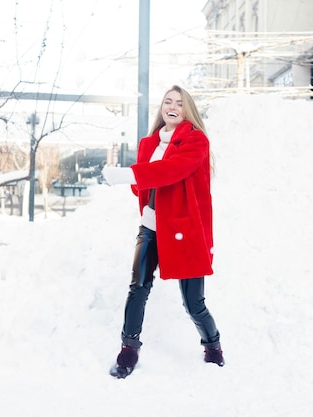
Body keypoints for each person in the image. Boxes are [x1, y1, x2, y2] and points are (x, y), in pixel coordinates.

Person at [102, 85, 224, 379]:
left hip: (184, 230)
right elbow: (143, 186)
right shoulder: (149, 143)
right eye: (167, 102)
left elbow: (172, 170)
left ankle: (213, 346)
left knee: (193, 304)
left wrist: (129, 173)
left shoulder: (196, 141)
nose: (172, 107)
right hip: (151, 226)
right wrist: (138, 180)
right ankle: (128, 350)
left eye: (179, 103)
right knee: (138, 288)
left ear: (187, 110)